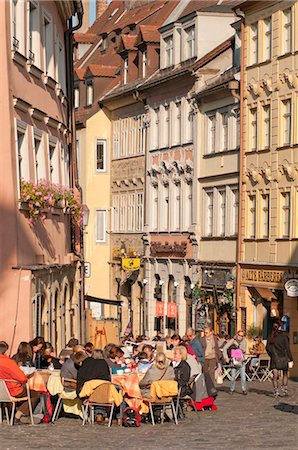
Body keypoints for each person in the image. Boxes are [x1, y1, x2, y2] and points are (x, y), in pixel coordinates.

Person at [0, 341, 41, 424]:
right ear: (4, 352)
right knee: (35, 394)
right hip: (12, 390)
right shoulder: (8, 362)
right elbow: (22, 378)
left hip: (2, 391)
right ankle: (18, 415)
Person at [77, 349, 111, 424]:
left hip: (87, 392)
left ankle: (97, 413)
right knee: (104, 390)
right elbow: (108, 378)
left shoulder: (86, 363)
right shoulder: (103, 363)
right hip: (102, 393)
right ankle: (102, 414)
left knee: (97, 391)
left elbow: (80, 377)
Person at [266, 321, 293, 398]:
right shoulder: (284, 336)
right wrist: (290, 358)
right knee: (285, 374)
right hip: (284, 357)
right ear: (280, 327)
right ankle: (284, 390)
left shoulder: (271, 336)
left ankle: (276, 391)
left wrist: (271, 355)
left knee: (275, 376)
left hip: (274, 358)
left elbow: (267, 348)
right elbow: (287, 349)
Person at [223, 330, 247, 395]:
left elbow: (244, 350)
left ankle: (244, 389)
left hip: (241, 361)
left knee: (243, 376)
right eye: (239, 335)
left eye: (242, 336)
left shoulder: (244, 341)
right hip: (233, 361)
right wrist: (226, 357)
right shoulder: (232, 340)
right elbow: (225, 348)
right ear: (237, 334)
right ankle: (231, 389)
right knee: (233, 376)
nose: (240, 337)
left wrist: (238, 346)